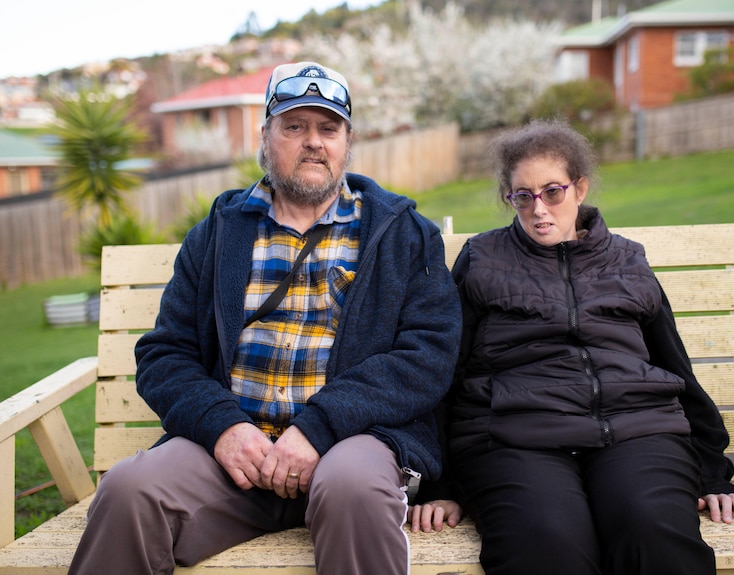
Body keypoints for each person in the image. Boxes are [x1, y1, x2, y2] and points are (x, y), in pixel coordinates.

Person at [68, 61, 462, 575]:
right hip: (233, 457)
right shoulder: (216, 234)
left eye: (328, 128)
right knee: (127, 490)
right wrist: (223, 427)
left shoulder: (403, 235)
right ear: (265, 136)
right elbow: (165, 355)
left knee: (352, 488)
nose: (313, 142)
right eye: (294, 127)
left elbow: (427, 357)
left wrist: (319, 427)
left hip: (348, 447)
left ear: (348, 141)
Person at [444, 119, 734, 575]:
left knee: (650, 526)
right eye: (522, 196)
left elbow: (675, 366)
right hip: (519, 437)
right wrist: (439, 481)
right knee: (548, 540)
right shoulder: (482, 258)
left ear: (580, 187)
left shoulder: (627, 260)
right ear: (509, 198)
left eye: (553, 191)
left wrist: (711, 471)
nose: (539, 209)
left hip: (637, 430)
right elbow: (446, 371)